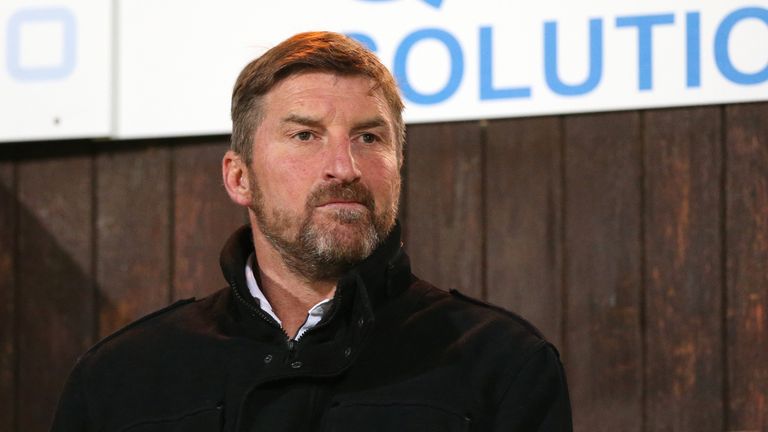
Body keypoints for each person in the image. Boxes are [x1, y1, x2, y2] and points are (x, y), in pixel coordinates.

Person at [51, 31, 572, 431]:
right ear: (239, 177)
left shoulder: (502, 364)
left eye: (368, 137)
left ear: (398, 166)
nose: (343, 166)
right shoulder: (121, 380)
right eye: (305, 135)